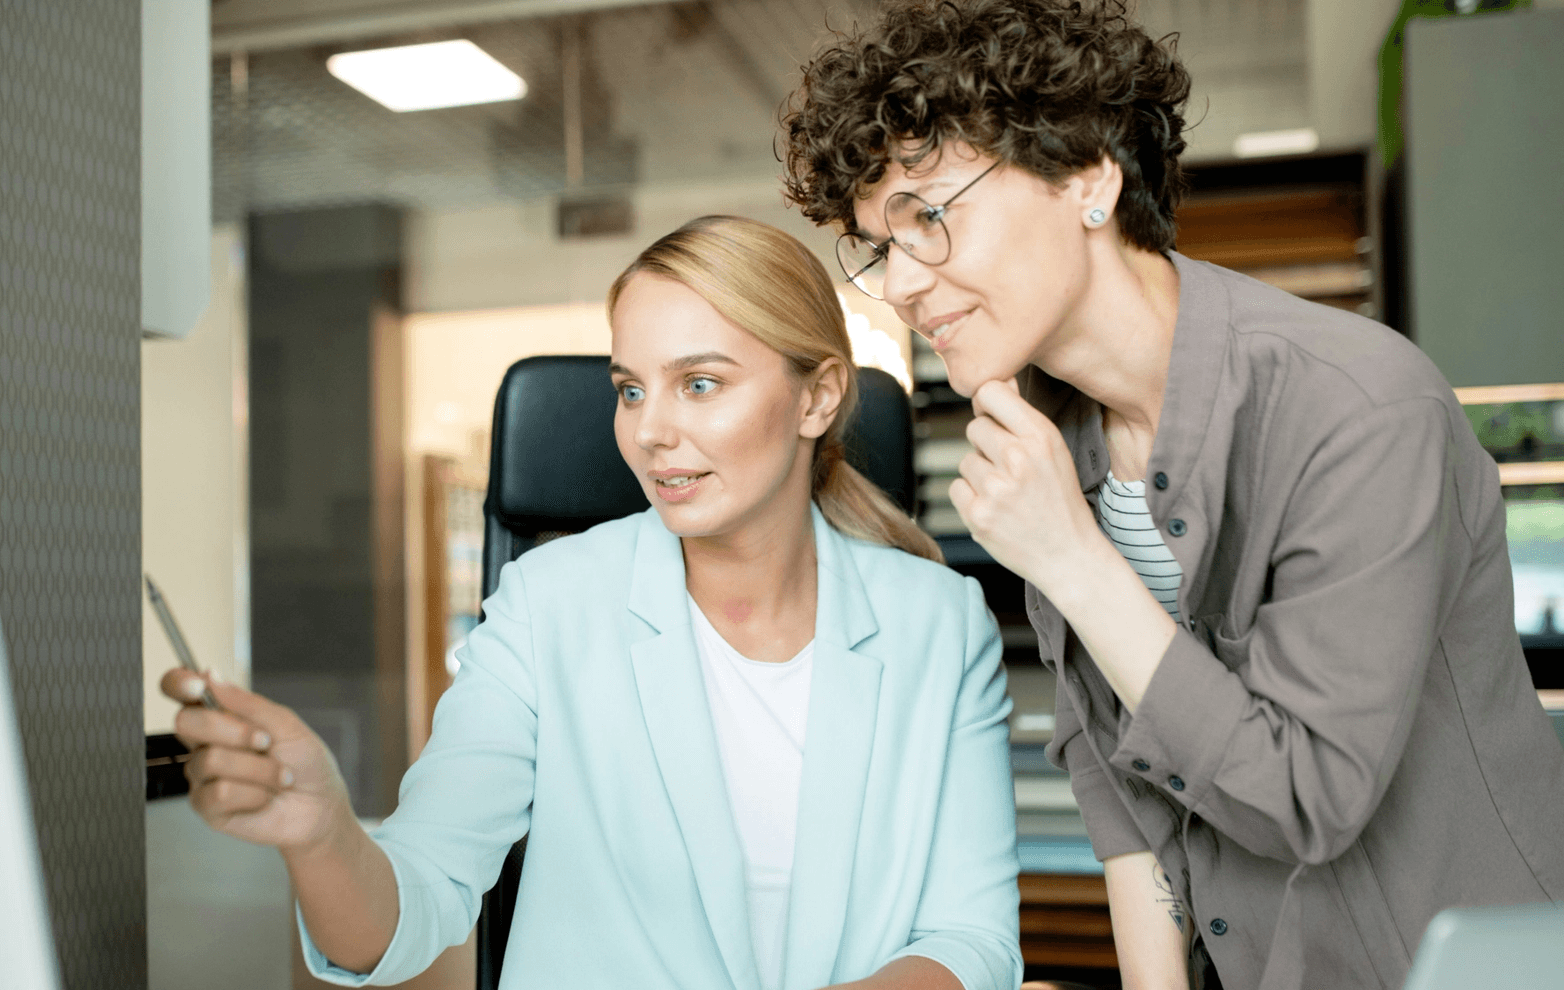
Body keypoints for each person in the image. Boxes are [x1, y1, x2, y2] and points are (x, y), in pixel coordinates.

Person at [780, 2, 1564, 989]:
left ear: (1089, 178)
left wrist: (1070, 557)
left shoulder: (1356, 408)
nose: (897, 283)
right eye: (876, 245)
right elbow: (1119, 790)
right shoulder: (1041, 436)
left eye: (928, 217)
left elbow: (1304, 797)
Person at [164, 216, 1025, 990]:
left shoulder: (939, 627)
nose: (649, 431)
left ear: (818, 396)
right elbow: (412, 903)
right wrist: (320, 832)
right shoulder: (549, 608)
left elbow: (971, 940)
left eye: (700, 383)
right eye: (630, 388)